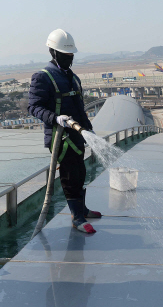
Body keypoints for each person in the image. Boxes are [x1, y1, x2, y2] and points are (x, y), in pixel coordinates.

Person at [28, 29, 100, 233]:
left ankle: (82, 209)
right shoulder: (43, 77)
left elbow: (79, 107)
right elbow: (33, 107)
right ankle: (77, 218)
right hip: (60, 137)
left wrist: (89, 129)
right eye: (65, 55)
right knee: (70, 175)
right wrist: (55, 118)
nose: (69, 59)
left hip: (77, 134)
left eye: (71, 55)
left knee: (81, 171)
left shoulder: (73, 78)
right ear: (53, 53)